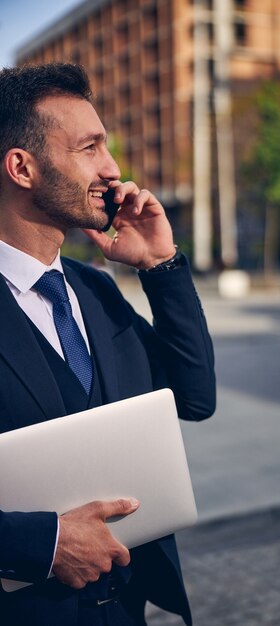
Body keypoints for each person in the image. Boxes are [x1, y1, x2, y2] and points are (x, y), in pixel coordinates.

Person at [0, 63, 216, 626]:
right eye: (89, 147)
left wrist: (161, 267)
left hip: (124, 609)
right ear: (22, 167)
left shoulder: (93, 288)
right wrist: (41, 543)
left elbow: (194, 399)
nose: (113, 168)